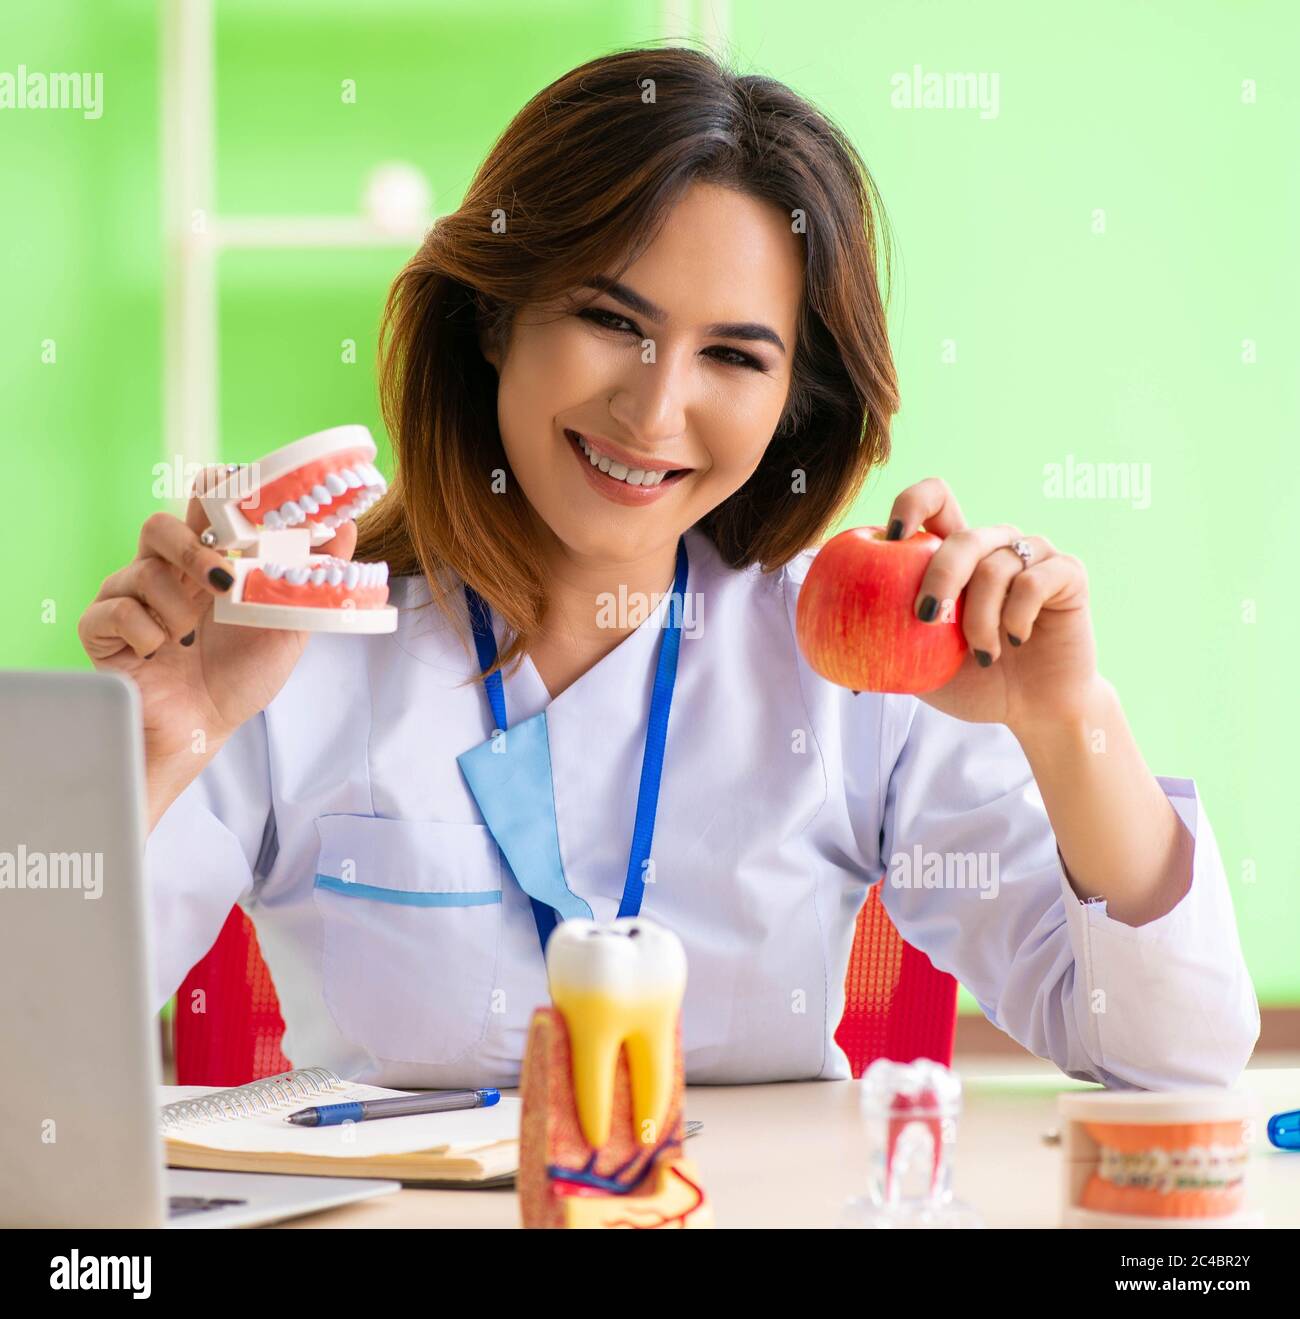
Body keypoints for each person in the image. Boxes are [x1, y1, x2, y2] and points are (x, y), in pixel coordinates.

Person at [78, 46, 1257, 1090]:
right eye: (608, 319)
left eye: (733, 355)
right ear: (494, 319)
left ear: (795, 402)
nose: (652, 408)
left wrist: (1066, 722)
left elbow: (1174, 1047)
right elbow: (32, 1053)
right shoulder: (289, 659)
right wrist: (166, 742)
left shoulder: (854, 662)